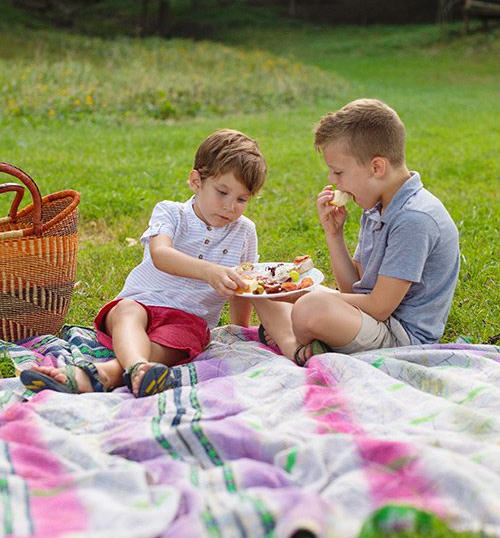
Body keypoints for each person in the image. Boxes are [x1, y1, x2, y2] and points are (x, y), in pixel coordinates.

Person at [21, 129, 267, 397]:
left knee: (178, 340)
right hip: (141, 304)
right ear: (196, 181)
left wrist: (238, 331)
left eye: (242, 199)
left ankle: (106, 374)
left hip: (188, 320)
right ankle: (138, 366)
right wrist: (208, 271)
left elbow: (242, 286)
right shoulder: (171, 212)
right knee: (127, 311)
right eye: (222, 192)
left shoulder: (244, 231)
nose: (231, 207)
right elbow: (161, 255)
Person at [254, 98, 460, 365]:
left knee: (310, 306)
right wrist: (334, 235)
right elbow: (354, 287)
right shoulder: (376, 205)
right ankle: (303, 343)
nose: (332, 180)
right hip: (367, 319)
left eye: (338, 171)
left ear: (376, 167)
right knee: (266, 291)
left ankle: (293, 343)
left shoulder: (414, 219)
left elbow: (379, 306)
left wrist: (306, 297)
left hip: (400, 337)